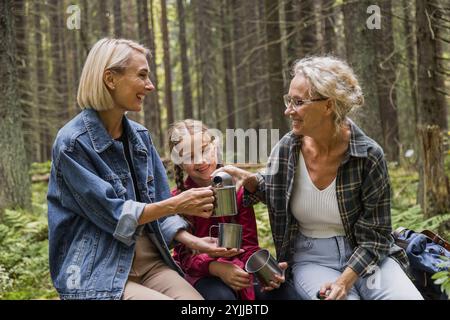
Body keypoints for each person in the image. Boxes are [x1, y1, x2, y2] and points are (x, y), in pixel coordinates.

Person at [213, 56, 423, 300]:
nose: (288, 110)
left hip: (368, 258)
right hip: (312, 259)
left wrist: (344, 281)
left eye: (298, 102)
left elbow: (376, 235)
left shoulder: (368, 155)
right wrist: (249, 181)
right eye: (288, 100)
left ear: (328, 105)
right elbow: (274, 190)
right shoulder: (287, 149)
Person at [47, 38, 227, 300]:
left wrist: (194, 242)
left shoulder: (140, 137)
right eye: (142, 75)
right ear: (110, 79)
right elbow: (116, 215)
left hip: (150, 263)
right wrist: (178, 204)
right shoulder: (72, 144)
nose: (150, 86)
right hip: (99, 270)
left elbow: (161, 205)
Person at [169, 120, 298, 300]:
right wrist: (218, 268)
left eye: (205, 149)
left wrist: (266, 269)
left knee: (284, 293)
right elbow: (184, 257)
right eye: (189, 157)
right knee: (222, 297)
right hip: (201, 273)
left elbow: (249, 244)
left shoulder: (237, 189)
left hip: (240, 265)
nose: (200, 160)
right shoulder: (179, 199)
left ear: (215, 147)